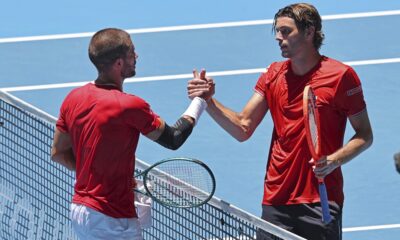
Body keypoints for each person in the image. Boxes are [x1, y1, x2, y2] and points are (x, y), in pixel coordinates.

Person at [187, 3, 373, 240]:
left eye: (286, 31)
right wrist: (209, 102)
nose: (278, 37)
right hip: (276, 200)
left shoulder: (341, 76)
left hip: (320, 199)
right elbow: (243, 127)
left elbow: (365, 135)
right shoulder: (273, 75)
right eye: (277, 31)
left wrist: (335, 160)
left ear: (309, 31)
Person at [51, 28, 210, 240]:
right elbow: (174, 138)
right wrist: (200, 101)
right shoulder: (129, 106)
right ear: (118, 63)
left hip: (81, 211)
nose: (136, 57)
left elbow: (58, 153)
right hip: (111, 218)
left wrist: (104, 177)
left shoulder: (73, 98)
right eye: (131, 53)